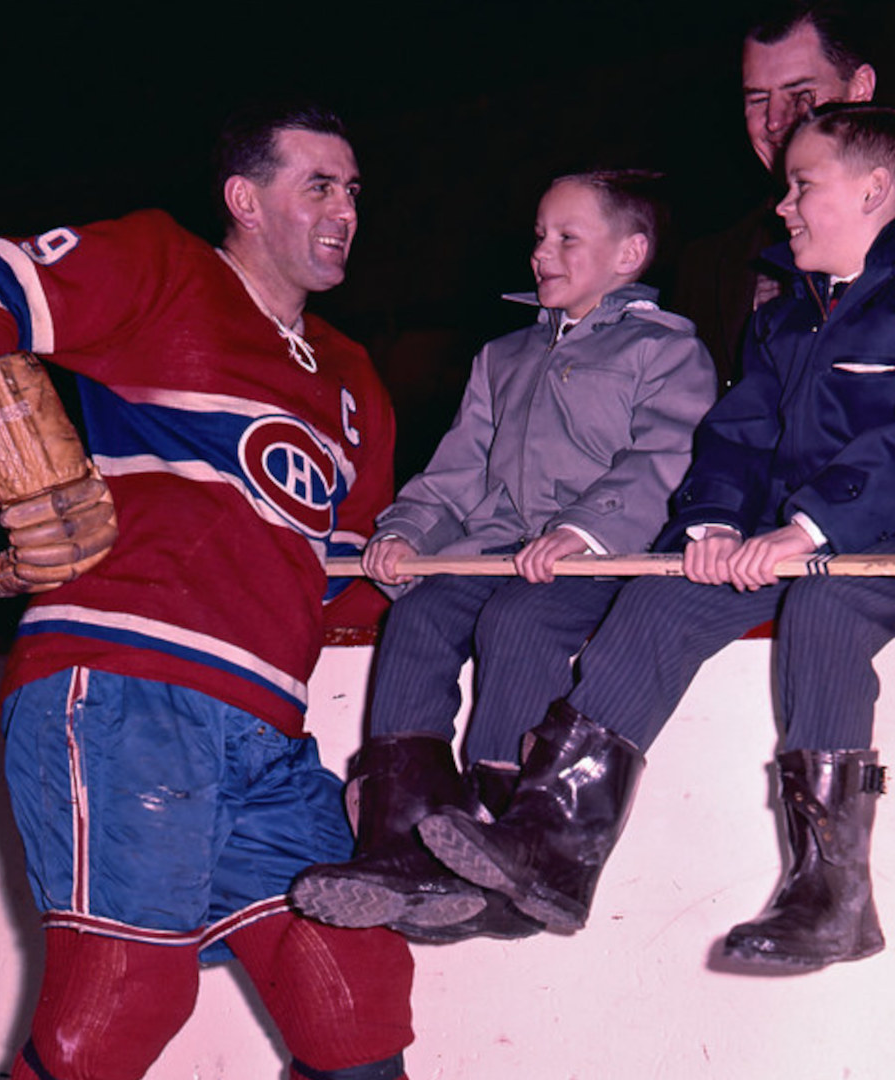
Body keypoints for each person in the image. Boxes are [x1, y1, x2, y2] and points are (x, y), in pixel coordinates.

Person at [0, 101, 415, 1080]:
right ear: (244, 199)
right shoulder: (163, 268)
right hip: (125, 689)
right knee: (124, 995)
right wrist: (26, 471)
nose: (344, 209)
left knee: (353, 995)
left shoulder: (353, 381)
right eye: (318, 185)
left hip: (266, 730)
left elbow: (345, 589)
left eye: (352, 190)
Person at [417, 104, 895, 969]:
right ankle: (553, 848)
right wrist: (714, 523)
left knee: (829, 603)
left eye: (804, 185)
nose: (784, 205)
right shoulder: (789, 316)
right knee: (666, 595)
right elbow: (734, 436)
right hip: (796, 536)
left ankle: (832, 892)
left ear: (874, 189)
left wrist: (808, 529)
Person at [288, 171, 716, 942]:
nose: (541, 253)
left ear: (631, 253)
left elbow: (661, 456)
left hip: (598, 558)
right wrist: (408, 532)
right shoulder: (504, 356)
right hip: (493, 547)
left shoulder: (665, 350)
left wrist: (585, 531)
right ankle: (399, 839)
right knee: (418, 618)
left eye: (566, 239)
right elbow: (457, 467)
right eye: (539, 237)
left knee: (521, 621)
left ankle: (503, 836)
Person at [670, 0, 895, 543]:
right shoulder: (710, 261)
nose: (775, 121)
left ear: (860, 89)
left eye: (800, 94)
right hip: (733, 546)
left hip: (892, 543)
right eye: (757, 99)